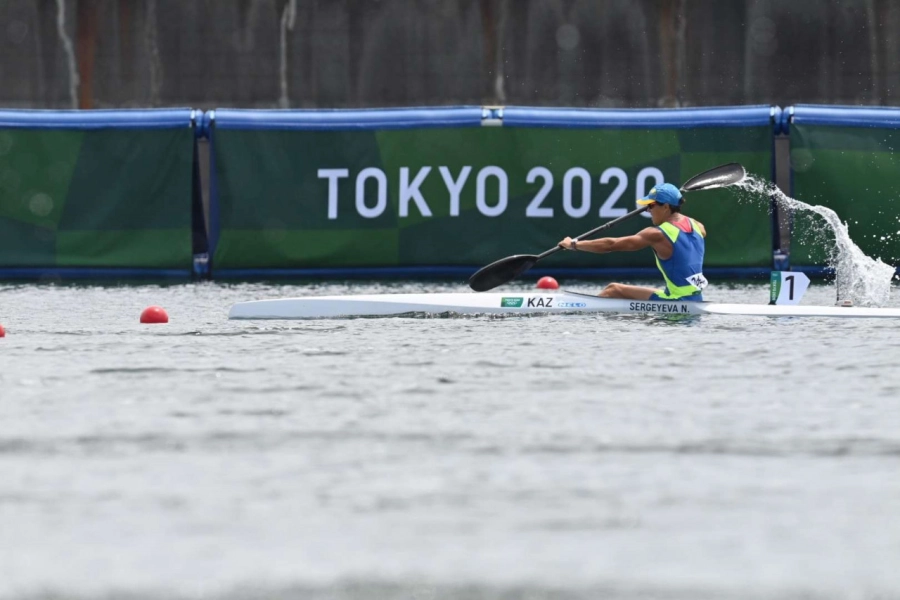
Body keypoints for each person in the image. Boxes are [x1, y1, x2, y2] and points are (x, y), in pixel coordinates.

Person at [558, 183, 707, 301]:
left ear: (666, 207)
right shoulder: (697, 226)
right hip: (696, 298)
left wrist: (574, 244)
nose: (648, 210)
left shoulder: (657, 234)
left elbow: (611, 245)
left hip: (677, 301)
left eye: (651, 205)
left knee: (613, 290)